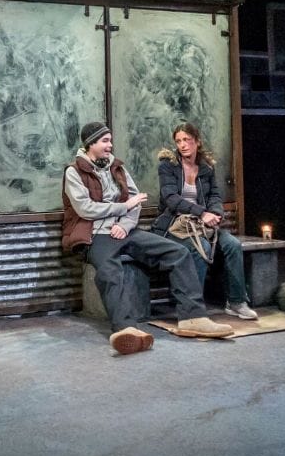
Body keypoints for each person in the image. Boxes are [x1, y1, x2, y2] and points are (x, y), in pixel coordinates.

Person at [63, 121, 234, 354]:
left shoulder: (118, 168)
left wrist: (125, 223)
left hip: (125, 230)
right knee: (110, 270)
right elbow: (85, 209)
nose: (110, 145)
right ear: (90, 143)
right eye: (105, 141)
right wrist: (122, 207)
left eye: (110, 140)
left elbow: (136, 202)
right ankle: (126, 329)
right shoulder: (74, 171)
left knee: (178, 252)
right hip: (95, 234)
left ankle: (192, 317)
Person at [154, 122, 258, 320]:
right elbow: (171, 198)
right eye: (178, 141)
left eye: (187, 140)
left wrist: (216, 213)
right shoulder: (168, 166)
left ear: (197, 142)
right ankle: (193, 307)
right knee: (200, 246)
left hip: (202, 225)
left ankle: (236, 301)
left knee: (233, 245)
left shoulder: (206, 167)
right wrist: (202, 213)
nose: (183, 145)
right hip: (174, 226)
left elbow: (215, 196)